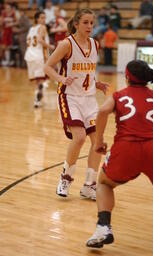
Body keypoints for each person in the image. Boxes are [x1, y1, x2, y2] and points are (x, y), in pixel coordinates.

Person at [86, 60, 153, 248]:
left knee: (104, 183)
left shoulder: (119, 95)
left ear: (127, 77)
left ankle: (103, 227)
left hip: (126, 147)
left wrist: (99, 141)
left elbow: (103, 110)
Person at [44, 8, 109, 200]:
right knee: (79, 137)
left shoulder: (95, 45)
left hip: (89, 98)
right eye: (86, 22)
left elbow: (87, 71)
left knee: (98, 142)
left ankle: (89, 185)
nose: (90, 26)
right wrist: (60, 79)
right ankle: (66, 178)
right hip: (69, 97)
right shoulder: (67, 44)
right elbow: (47, 66)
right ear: (76, 24)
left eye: (92, 22)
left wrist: (96, 83)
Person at [24, 11, 54, 107]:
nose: (43, 20)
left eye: (44, 18)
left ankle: (38, 98)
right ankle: (37, 100)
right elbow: (40, 40)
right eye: (41, 18)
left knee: (38, 80)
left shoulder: (31, 29)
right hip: (39, 56)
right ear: (37, 19)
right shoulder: (43, 27)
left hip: (29, 56)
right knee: (41, 80)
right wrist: (50, 46)